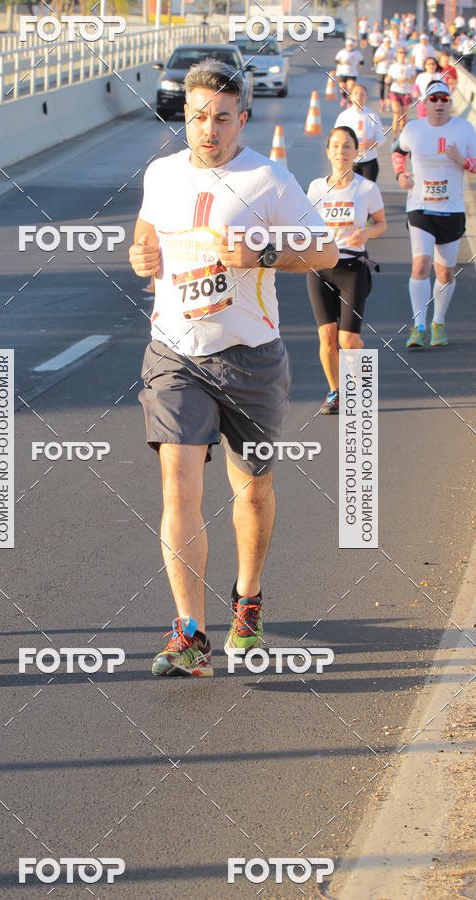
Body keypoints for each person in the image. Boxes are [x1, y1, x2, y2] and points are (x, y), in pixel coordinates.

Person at [129, 59, 337, 676]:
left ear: (242, 118)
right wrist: (141, 255)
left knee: (252, 487)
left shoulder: (268, 178)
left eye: (222, 118)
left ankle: (247, 601)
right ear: (184, 118)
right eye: (198, 117)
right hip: (174, 353)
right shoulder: (161, 175)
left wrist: (264, 251)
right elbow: (145, 237)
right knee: (179, 486)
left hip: (251, 358)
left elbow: (324, 247)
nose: (209, 129)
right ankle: (190, 632)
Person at [306, 127, 387, 414]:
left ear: (356, 152)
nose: (341, 152)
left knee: (348, 340)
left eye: (347, 147)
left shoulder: (366, 188)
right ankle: (336, 392)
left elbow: (381, 223)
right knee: (327, 337)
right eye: (336, 146)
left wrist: (365, 232)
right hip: (320, 268)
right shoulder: (316, 188)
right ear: (328, 151)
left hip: (353, 268)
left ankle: (360, 374)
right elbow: (308, 225)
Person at [392, 80, 476, 348]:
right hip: (420, 208)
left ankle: (438, 322)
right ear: (425, 104)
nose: (439, 103)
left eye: (444, 99)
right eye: (434, 99)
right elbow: (398, 151)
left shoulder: (464, 129)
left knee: (446, 273)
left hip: (451, 210)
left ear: (450, 103)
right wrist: (401, 174)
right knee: (421, 265)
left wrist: (463, 162)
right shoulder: (414, 130)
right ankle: (418, 326)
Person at [335, 82, 385, 181]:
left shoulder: (372, 116)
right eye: (356, 93)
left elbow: (382, 138)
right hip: (348, 162)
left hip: (369, 161)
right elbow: (335, 138)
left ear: (366, 97)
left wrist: (373, 143)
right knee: (349, 194)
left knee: (367, 193)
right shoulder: (344, 116)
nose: (359, 96)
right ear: (351, 97)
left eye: (362, 94)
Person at [386, 45, 416, 138]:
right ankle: (395, 138)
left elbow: (414, 81)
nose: (402, 54)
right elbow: (388, 79)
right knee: (397, 113)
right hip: (395, 91)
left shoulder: (410, 67)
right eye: (400, 52)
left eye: (404, 53)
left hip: (406, 93)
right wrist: (388, 80)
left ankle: (402, 139)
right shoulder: (393, 66)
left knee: (404, 118)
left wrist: (406, 80)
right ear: (397, 54)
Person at [335, 37, 364, 107]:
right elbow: (336, 60)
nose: (350, 46)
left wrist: (360, 66)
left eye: (351, 45)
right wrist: (342, 62)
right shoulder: (342, 52)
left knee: (350, 88)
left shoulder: (357, 53)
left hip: (352, 73)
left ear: (353, 45)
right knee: (342, 87)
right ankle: (344, 98)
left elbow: (362, 61)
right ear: (346, 45)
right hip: (341, 72)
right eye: (349, 45)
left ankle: (350, 102)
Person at [374, 37, 394, 111]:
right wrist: (382, 58)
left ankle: (388, 105)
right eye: (386, 42)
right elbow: (375, 59)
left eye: (389, 42)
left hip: (390, 72)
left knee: (389, 88)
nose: (388, 44)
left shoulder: (393, 50)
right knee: (381, 88)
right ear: (384, 43)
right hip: (381, 71)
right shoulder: (380, 50)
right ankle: (382, 104)